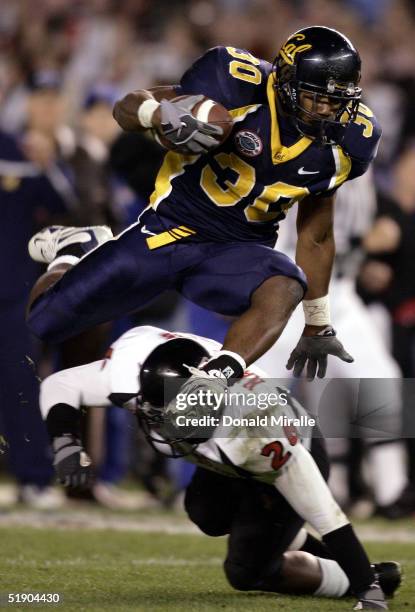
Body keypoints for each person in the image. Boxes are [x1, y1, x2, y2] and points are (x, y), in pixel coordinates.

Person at [27, 26, 380, 394]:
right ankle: (72, 252)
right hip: (170, 230)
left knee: (286, 283)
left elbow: (316, 234)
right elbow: (126, 106)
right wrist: (157, 114)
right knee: (44, 321)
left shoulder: (350, 141)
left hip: (237, 251)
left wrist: (317, 323)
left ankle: (211, 384)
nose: (326, 112)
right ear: (286, 83)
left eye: (337, 101)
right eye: (314, 98)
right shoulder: (236, 83)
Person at [39, 325, 400, 609]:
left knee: (247, 573)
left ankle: (364, 577)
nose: (169, 433)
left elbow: (325, 512)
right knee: (206, 513)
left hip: (291, 451)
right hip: (223, 450)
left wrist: (366, 590)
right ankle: (276, 537)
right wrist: (66, 441)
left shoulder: (256, 433)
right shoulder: (131, 373)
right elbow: (61, 384)